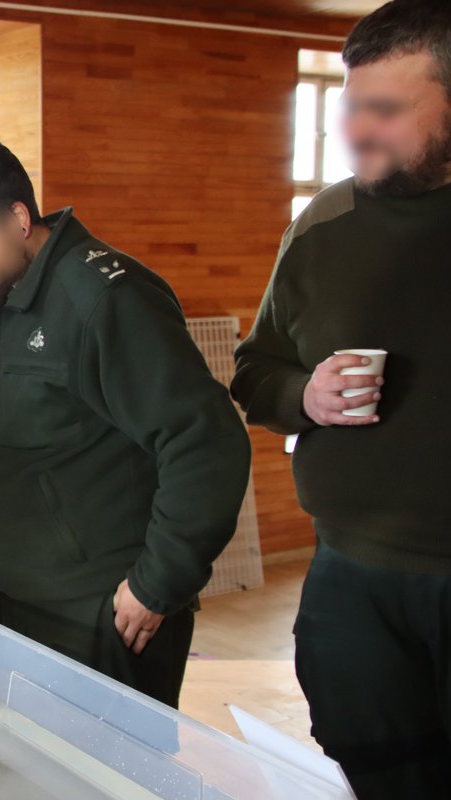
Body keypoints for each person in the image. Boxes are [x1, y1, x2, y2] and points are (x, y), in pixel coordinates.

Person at [0, 137, 251, 707]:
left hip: (102, 610)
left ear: (19, 219)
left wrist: (156, 584)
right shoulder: (2, 291)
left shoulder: (105, 299)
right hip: (23, 595)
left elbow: (205, 443)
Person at [231, 2, 451, 794]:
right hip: (350, 573)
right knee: (376, 766)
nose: (356, 129)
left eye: (386, 110)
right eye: (351, 103)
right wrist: (306, 395)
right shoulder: (324, 222)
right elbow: (255, 370)